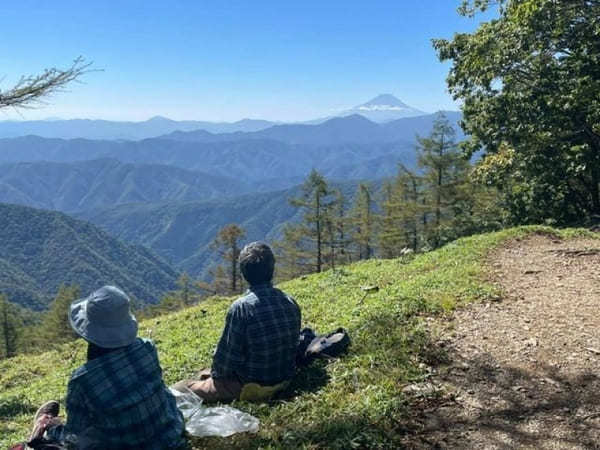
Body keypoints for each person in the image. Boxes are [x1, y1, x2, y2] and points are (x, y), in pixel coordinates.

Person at [28, 285, 186, 450]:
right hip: (170, 435)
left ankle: (43, 427)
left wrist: (54, 429)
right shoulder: (147, 347)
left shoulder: (83, 380)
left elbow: (75, 434)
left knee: (79, 438)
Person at [173, 242, 301, 403]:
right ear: (272, 269)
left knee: (181, 388)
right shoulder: (290, 301)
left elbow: (224, 363)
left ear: (244, 273)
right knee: (204, 374)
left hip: (250, 385)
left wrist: (214, 376)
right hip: (285, 377)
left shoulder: (242, 308)